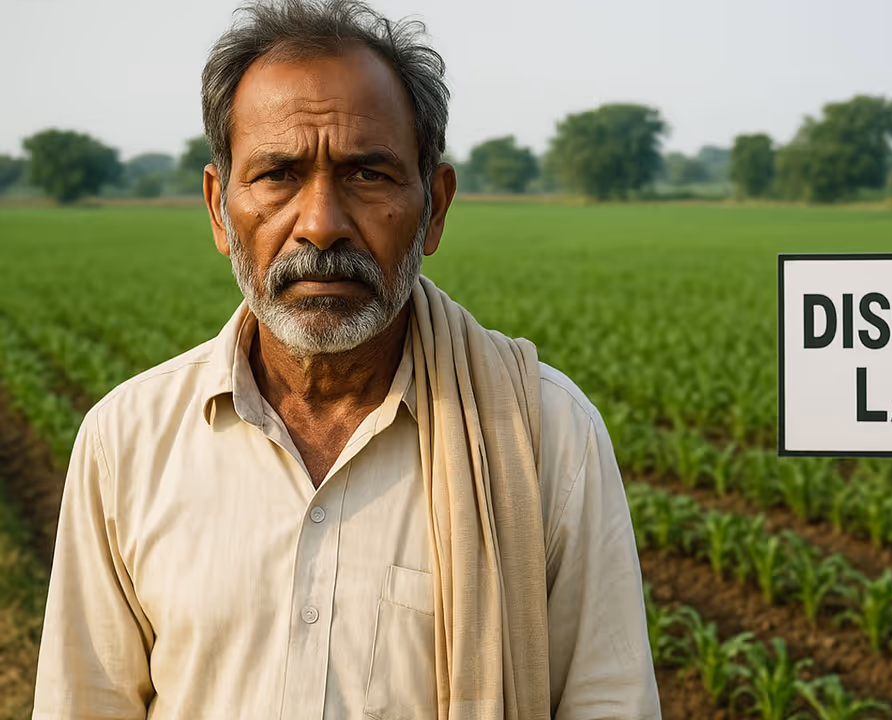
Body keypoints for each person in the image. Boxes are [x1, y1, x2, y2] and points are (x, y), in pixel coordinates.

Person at [31, 1, 660, 718]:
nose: (321, 223)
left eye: (367, 174)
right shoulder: (126, 442)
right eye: (277, 174)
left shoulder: (545, 436)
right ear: (217, 207)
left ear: (436, 209)